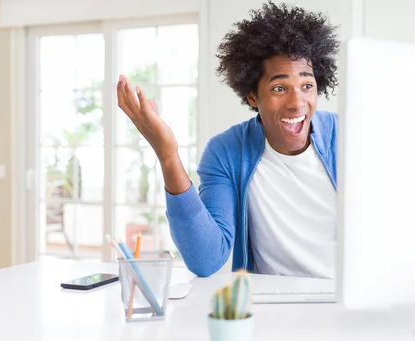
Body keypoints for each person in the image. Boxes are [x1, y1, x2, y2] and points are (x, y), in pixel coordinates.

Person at [116, 1, 340, 278]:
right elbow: (205, 259)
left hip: (351, 299)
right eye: (279, 88)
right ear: (252, 97)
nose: (297, 103)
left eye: (307, 86)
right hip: (272, 307)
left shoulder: (348, 138)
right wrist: (167, 155)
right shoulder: (227, 151)